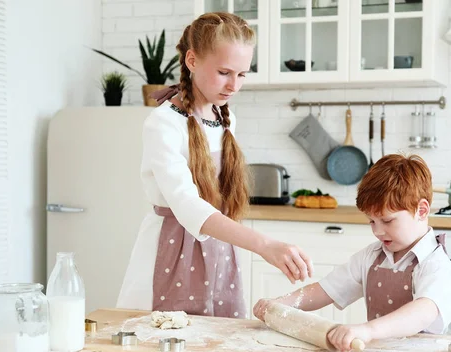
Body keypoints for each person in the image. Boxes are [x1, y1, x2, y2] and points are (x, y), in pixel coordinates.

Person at [117, 12, 313, 318]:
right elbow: (188, 206)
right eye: (224, 72)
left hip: (219, 247)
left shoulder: (226, 118)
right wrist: (264, 245)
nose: (234, 85)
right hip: (172, 250)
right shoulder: (163, 124)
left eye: (243, 74)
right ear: (192, 61)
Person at [253, 154, 451, 351]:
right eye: (372, 221)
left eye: (388, 220)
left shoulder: (434, 264)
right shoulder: (371, 256)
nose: (378, 231)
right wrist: (280, 304)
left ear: (421, 210)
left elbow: (422, 312)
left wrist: (368, 330)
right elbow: (326, 290)